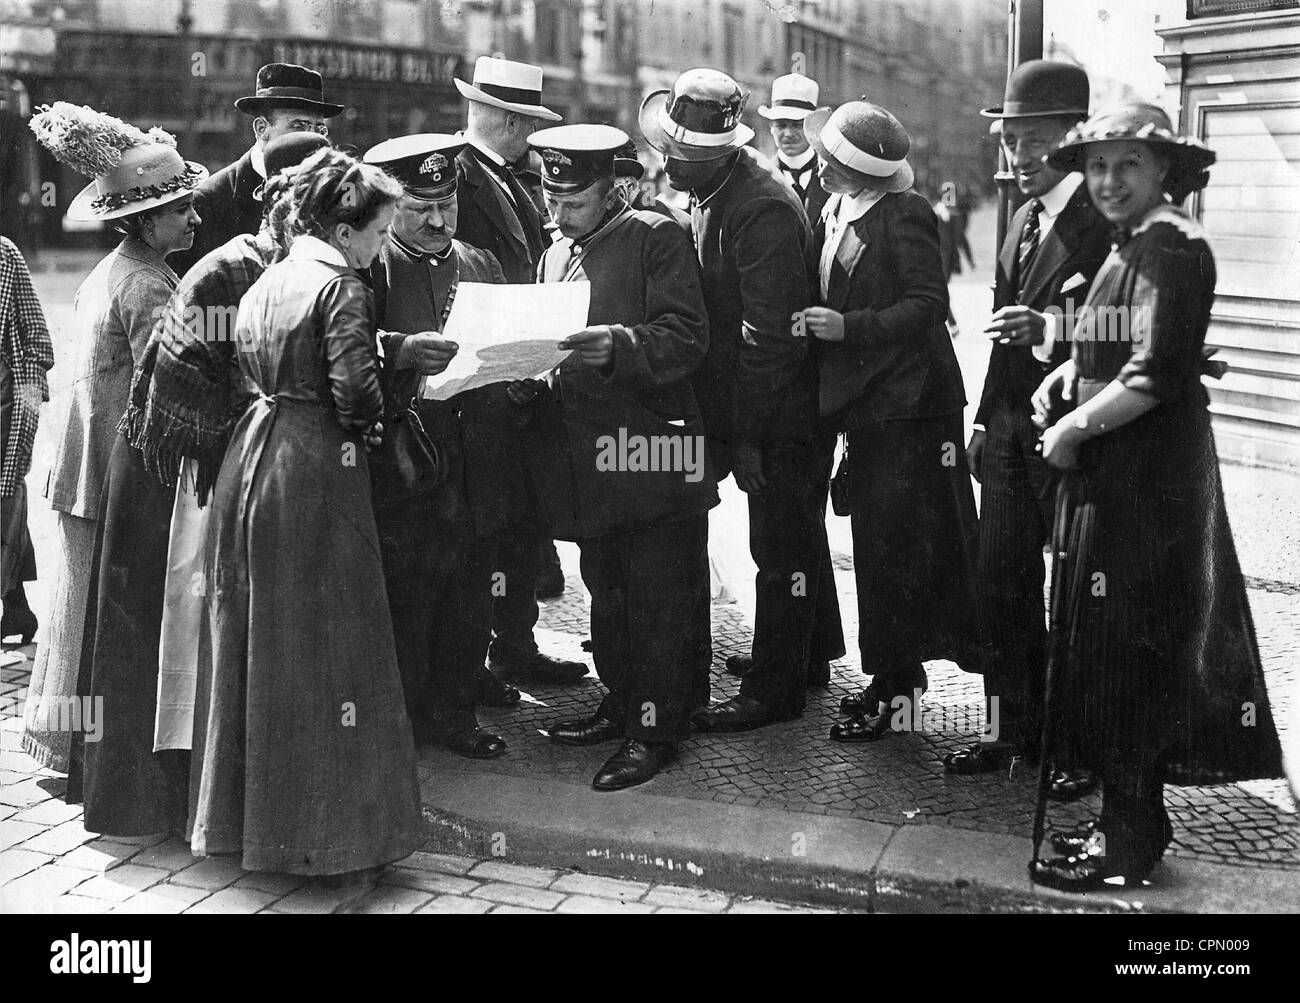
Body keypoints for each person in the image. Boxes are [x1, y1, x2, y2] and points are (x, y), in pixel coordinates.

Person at [1028, 103, 1283, 890]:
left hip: (1148, 481)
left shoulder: (1174, 245)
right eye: (1098, 165)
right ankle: (1125, 819)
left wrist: (1074, 425)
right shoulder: (1134, 243)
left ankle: (1130, 841)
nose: (1108, 180)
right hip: (1122, 469)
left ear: (1164, 171)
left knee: (1132, 648)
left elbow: (1154, 375)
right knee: (1107, 647)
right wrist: (1068, 374)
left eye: (1127, 164)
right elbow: (1117, 343)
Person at [190, 148, 420, 879]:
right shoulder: (342, 287)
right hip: (317, 470)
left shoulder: (270, 278)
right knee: (337, 655)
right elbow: (355, 397)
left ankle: (253, 827)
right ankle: (340, 841)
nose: (382, 249)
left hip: (251, 464)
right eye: (381, 236)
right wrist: (397, 387)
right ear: (348, 231)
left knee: (262, 647)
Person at [131, 132, 330, 768]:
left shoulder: (297, 271)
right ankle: (194, 756)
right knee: (197, 606)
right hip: (205, 466)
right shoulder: (225, 271)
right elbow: (180, 379)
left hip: (257, 466)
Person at [526, 124, 715, 790]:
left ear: (610, 191)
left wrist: (615, 346)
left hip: (653, 452)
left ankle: (655, 730)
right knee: (608, 588)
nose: (556, 212)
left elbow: (687, 337)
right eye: (550, 197)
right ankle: (623, 698)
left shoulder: (654, 236)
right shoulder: (555, 253)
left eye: (571, 201)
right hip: (589, 460)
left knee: (658, 592)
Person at [22, 103, 207, 774]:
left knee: (71, 615)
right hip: (111, 471)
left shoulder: (112, 270)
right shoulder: (151, 283)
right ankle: (94, 762)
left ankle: (61, 748)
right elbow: (171, 383)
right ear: (146, 220)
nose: (194, 219)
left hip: (77, 465)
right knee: (103, 617)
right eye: (182, 210)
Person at [640, 69, 825, 732]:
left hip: (779, 409)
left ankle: (777, 691)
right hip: (757, 403)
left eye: (679, 154)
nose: (667, 161)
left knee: (781, 548)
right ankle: (803, 658)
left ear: (716, 152)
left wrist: (746, 435)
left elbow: (769, 340)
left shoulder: (760, 208)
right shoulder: (716, 188)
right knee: (785, 539)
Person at [947, 61, 1109, 800]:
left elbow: (1131, 325)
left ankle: (1079, 749)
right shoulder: (1019, 219)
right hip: (1010, 435)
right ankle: (1014, 731)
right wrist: (983, 420)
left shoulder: (1105, 221)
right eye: (1009, 141)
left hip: (1078, 437)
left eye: (1032, 141)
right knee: (1001, 583)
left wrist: (1051, 328)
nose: (1016, 156)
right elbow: (999, 336)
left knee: (1077, 594)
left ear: (1074, 138)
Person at [801, 100, 980, 743]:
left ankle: (897, 687)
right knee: (881, 549)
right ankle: (895, 676)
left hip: (914, 411)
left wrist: (851, 328)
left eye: (829, 158)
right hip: (874, 405)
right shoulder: (835, 206)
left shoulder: (905, 214)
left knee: (899, 549)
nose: (818, 165)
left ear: (857, 168)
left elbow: (929, 305)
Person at [363, 132, 515, 760]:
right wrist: (398, 349)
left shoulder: (479, 261)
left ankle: (456, 712)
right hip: (405, 463)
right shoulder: (368, 268)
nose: (437, 219)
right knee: (409, 592)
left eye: (446, 203)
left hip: (476, 457)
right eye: (419, 206)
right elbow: (343, 349)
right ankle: (404, 717)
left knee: (471, 588)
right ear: (389, 207)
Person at [453, 56, 587, 693]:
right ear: (507, 119)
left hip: (521, 377)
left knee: (517, 521)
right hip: (481, 379)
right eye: (529, 120)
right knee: (486, 525)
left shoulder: (509, 176)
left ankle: (514, 644)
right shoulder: (453, 174)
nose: (534, 134)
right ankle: (478, 656)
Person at [728, 69, 846, 688]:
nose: (789, 131)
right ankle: (811, 646)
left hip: (805, 378)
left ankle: (791, 658)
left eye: (799, 122)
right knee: (796, 525)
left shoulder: (837, 184)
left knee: (788, 529)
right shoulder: (766, 180)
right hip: (791, 375)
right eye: (779, 122)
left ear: (816, 124)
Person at [168, 62, 343, 276]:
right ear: (261, 129)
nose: (312, 137)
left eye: (319, 129)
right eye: (299, 126)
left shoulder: (328, 194)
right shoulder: (209, 200)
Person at [0, 237, 54, 645]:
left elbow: (37, 339)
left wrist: (29, 407)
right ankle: (17, 609)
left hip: (7, 401)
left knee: (6, 499)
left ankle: (16, 607)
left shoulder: (5, 254)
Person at [759, 72, 830, 225]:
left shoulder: (833, 178)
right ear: (771, 127)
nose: (789, 134)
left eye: (798, 125)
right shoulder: (759, 177)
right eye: (781, 125)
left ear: (813, 127)